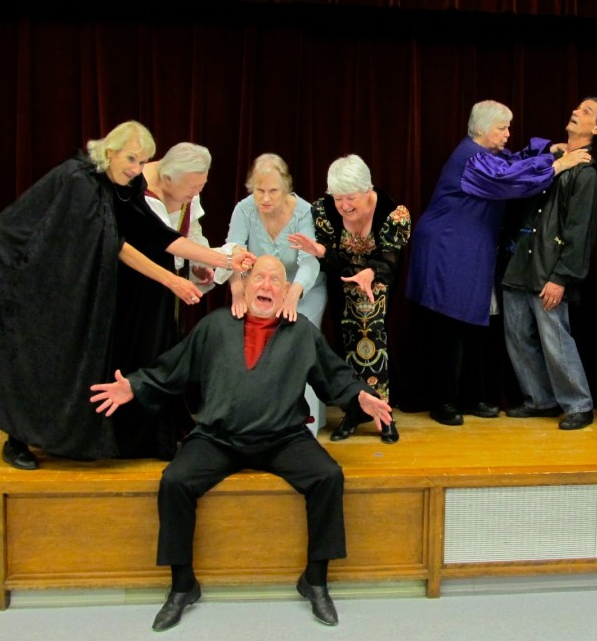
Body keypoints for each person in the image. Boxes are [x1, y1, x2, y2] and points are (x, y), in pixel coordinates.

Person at [89, 255, 393, 631]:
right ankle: (183, 585)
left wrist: (359, 397)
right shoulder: (214, 327)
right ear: (245, 286)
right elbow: (172, 368)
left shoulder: (302, 333)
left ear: (285, 292)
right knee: (174, 482)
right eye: (259, 278)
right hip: (219, 438)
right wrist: (133, 386)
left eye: (275, 280)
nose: (266, 285)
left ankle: (315, 580)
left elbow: (336, 378)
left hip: (283, 437)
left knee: (328, 477)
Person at [0, 121, 253, 470]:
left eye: (141, 161)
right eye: (130, 159)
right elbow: (115, 245)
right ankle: (16, 438)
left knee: (72, 353)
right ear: (110, 151)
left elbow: (154, 233)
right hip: (23, 268)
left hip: (65, 272)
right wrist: (171, 281)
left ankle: (61, 434)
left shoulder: (123, 184)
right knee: (36, 350)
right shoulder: (80, 181)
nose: (135, 169)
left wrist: (224, 258)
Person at [406, 100, 591, 426]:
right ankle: (444, 402)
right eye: (502, 128)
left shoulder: (484, 154)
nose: (509, 134)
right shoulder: (470, 160)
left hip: (467, 249)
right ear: (481, 129)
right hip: (447, 248)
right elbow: (510, 180)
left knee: (471, 326)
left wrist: (548, 152)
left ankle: (468, 395)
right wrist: (557, 166)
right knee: (449, 327)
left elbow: (511, 160)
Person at [501, 97, 597, 430]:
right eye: (577, 107)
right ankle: (540, 399)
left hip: (549, 267)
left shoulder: (586, 174)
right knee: (517, 333)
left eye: (586, 112)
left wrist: (562, 277)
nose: (576, 111)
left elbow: (580, 230)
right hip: (521, 260)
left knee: (555, 336)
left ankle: (579, 404)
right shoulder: (552, 158)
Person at [289, 154, 410, 444]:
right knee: (346, 345)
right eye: (338, 198)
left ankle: (383, 413)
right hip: (342, 282)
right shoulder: (323, 212)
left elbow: (391, 262)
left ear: (368, 190)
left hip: (377, 283)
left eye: (351, 198)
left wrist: (370, 273)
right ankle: (354, 410)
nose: (343, 205)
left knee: (373, 341)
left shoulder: (393, 213)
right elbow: (332, 262)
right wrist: (321, 253)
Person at [113, 141, 217, 459]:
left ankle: (160, 435)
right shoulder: (133, 193)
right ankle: (127, 437)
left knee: (163, 352)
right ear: (168, 180)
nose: (195, 193)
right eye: (192, 188)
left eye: (201, 185)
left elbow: (192, 233)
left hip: (165, 292)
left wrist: (202, 263)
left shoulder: (187, 184)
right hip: (128, 291)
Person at [219, 153, 328, 434]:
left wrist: (293, 295)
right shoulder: (243, 210)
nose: (265, 198)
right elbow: (232, 253)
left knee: (298, 340)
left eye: (273, 191)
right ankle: (261, 420)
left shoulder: (303, 211)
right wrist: (238, 291)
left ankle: (307, 426)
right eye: (259, 191)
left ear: (286, 188)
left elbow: (309, 260)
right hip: (262, 289)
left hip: (302, 287)